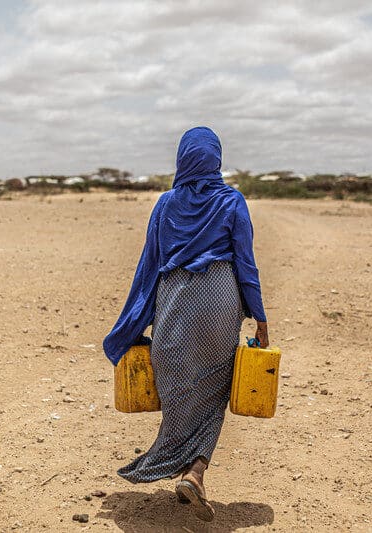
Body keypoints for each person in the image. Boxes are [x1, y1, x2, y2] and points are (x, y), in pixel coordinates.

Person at [103, 126, 268, 522]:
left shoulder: (165, 204)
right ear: (215, 159)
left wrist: (136, 318)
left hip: (174, 299)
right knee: (213, 390)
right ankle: (194, 472)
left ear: (182, 159)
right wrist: (260, 317)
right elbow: (245, 263)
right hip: (220, 300)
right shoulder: (231, 200)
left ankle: (180, 466)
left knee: (178, 388)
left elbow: (150, 263)